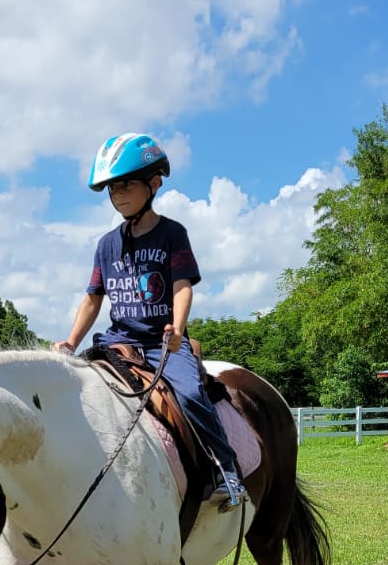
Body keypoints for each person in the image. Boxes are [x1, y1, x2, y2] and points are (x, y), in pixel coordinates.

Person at [54, 132, 246, 507]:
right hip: (116, 342)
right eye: (112, 187)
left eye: (126, 184)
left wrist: (176, 328)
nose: (118, 194)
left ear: (154, 183)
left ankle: (228, 471)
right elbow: (93, 298)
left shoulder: (172, 233)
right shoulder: (106, 244)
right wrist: (71, 342)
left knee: (190, 394)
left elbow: (182, 286)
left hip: (161, 344)